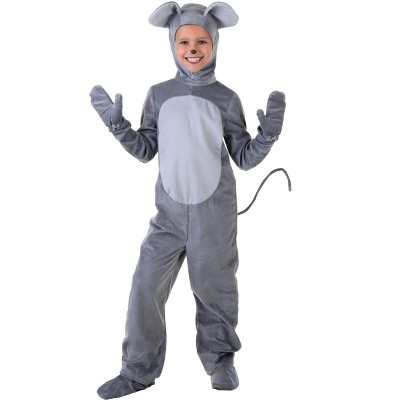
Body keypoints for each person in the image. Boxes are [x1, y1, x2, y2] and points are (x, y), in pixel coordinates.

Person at [90, 2, 286, 398]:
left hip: (215, 215)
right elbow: (146, 150)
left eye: (201, 41)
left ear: (214, 43)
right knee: (145, 285)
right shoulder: (159, 95)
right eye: (184, 41)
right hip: (168, 215)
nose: (192, 49)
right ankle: (137, 370)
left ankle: (220, 360)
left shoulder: (226, 98)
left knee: (215, 288)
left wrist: (266, 138)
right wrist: (118, 126)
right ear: (171, 42)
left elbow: (243, 157)